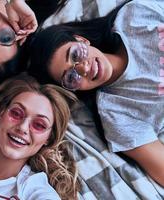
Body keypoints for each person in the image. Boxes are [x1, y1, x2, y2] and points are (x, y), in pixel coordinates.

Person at [28, 0, 164, 186]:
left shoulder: (134, 16)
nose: (83, 68)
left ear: (82, 40)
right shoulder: (116, 116)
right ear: (72, 89)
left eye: (75, 55)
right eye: (71, 76)